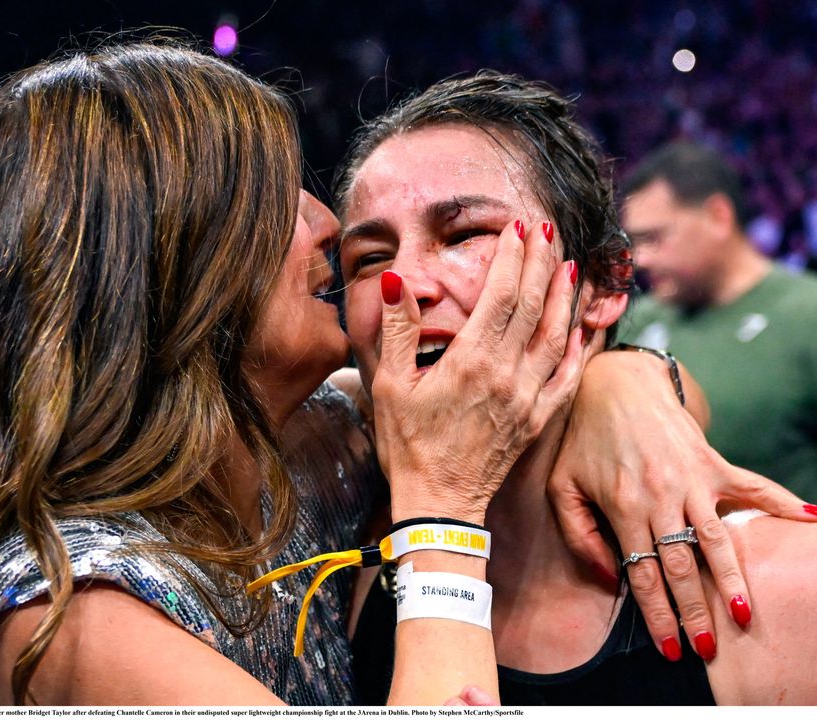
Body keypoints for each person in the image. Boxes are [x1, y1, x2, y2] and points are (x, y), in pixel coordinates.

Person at [0, 40, 804, 706]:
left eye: (462, 232)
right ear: (164, 269)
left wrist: (624, 383)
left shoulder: (306, 446)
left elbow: (512, 386)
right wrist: (441, 511)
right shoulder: (67, 616)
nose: (324, 226)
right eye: (272, 193)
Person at [336, 72, 817, 704]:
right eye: (370, 258)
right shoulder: (335, 507)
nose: (408, 282)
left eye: (464, 234)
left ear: (601, 285)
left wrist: (632, 374)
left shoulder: (790, 590)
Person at [619, 142, 817, 500]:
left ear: (718, 217)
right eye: (634, 241)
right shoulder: (632, 323)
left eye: (654, 238)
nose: (640, 259)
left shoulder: (808, 314)